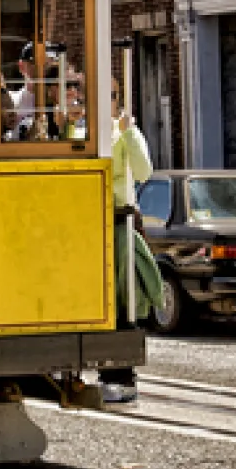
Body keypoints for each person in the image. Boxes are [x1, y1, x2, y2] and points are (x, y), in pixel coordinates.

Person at [101, 76, 162, 404]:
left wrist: (128, 131)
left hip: (118, 220)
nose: (107, 101)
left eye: (112, 95)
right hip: (85, 223)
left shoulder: (121, 131)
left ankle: (121, 375)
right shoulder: (80, 130)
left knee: (125, 299)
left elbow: (143, 172)